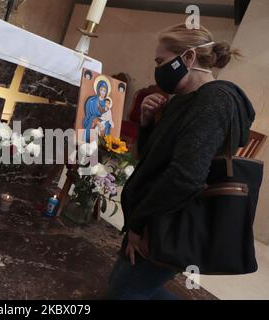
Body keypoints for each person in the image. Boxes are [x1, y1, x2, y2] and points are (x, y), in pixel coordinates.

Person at [107, 24, 255, 300]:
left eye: (161, 61)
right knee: (125, 285)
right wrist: (148, 124)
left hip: (169, 221)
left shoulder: (214, 102)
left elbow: (186, 177)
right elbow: (150, 157)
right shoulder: (182, 99)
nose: (158, 68)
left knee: (123, 293)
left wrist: (139, 226)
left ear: (188, 58)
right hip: (154, 213)